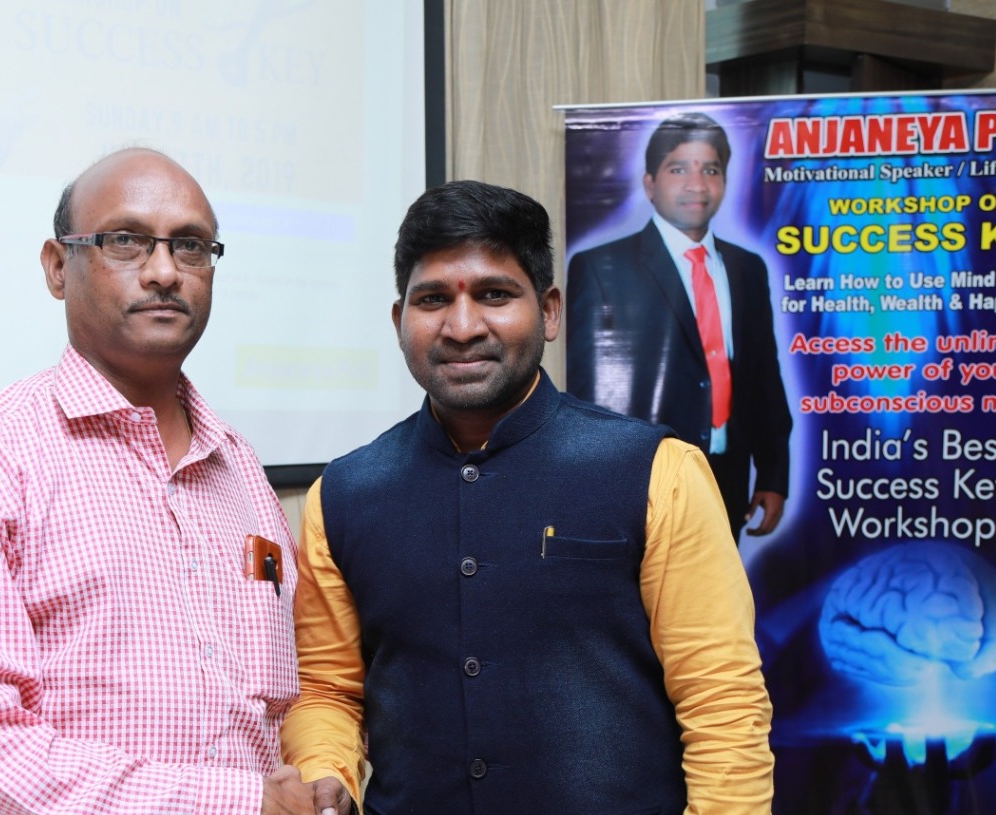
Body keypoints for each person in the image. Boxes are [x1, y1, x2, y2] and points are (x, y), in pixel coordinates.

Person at [281, 180, 774, 814]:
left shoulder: (658, 471)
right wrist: (326, 771)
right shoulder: (345, 494)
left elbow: (722, 702)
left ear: (549, 311)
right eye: (433, 299)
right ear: (399, 318)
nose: (462, 327)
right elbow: (327, 689)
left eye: (494, 294)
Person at [0, 147, 318, 814]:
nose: (164, 272)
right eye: (125, 240)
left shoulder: (241, 469)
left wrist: (311, 776)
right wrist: (240, 802)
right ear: (57, 267)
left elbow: (276, 708)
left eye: (190, 246)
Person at [566, 111, 792, 540]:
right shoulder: (601, 267)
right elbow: (587, 392)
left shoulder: (747, 267)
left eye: (711, 170)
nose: (696, 184)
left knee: (717, 586)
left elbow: (764, 374)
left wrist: (773, 473)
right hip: (640, 483)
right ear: (650, 183)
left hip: (727, 477)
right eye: (678, 169)